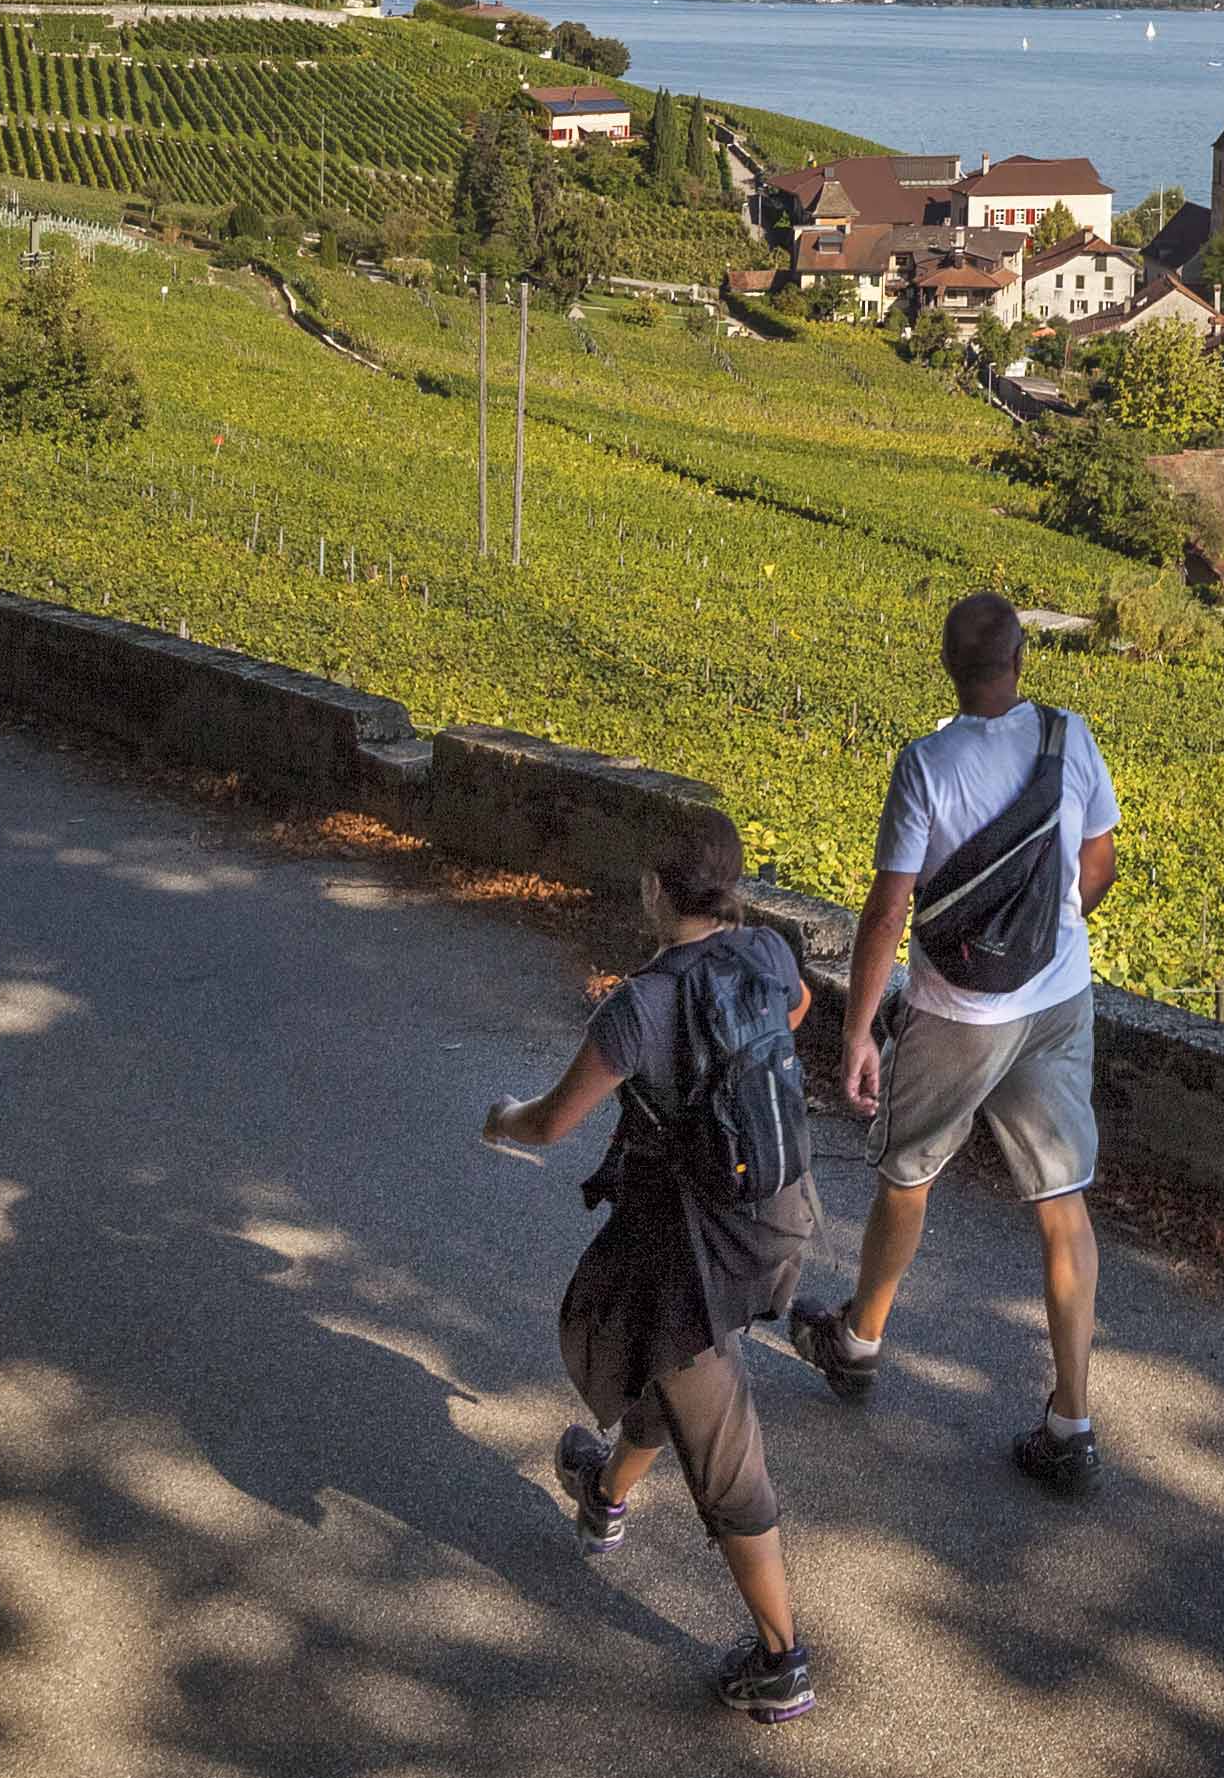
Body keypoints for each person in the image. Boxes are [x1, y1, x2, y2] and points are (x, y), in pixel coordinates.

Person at [481, 804, 824, 1723]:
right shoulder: (769, 957)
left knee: (722, 1446)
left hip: (696, 1254)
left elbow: (552, 1122)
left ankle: (781, 1662)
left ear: (654, 891)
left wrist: (500, 1116)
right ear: (734, 887)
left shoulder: (638, 1006)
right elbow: (793, 1013)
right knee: (662, 1367)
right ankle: (604, 1493)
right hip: (780, 1218)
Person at [790, 590, 1119, 1498]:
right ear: (1020, 659)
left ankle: (857, 1343)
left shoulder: (925, 763)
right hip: (1056, 1002)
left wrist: (857, 1027)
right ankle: (1071, 1422)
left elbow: (889, 906)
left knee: (907, 1174)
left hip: (954, 1014)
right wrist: (1044, 936)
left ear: (948, 666)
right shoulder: (1070, 738)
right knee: (1062, 1205)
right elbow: (1097, 869)